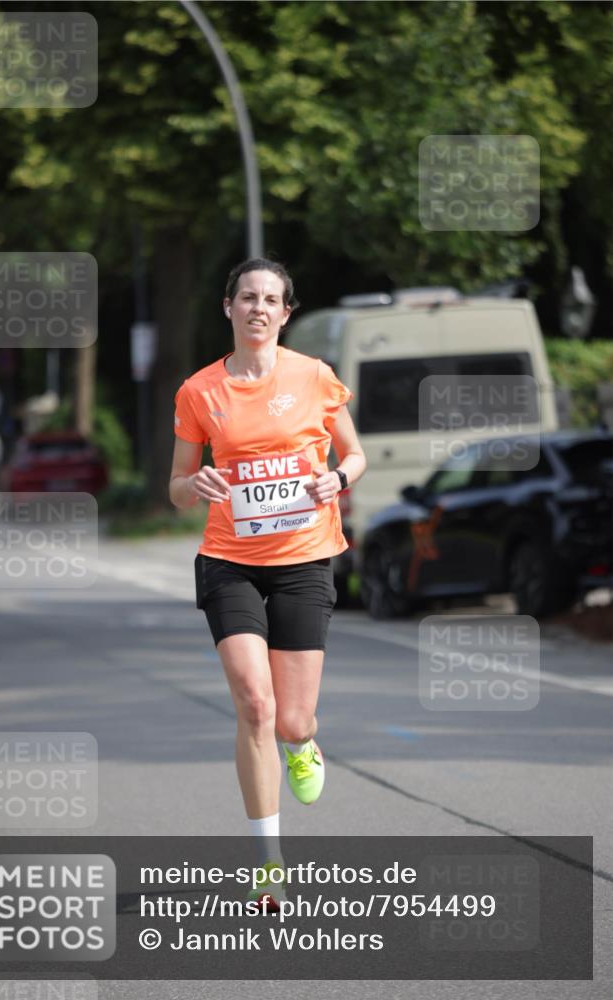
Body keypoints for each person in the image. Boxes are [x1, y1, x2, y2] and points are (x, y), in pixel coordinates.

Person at [169, 258, 366, 909]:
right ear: (227, 307)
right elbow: (175, 488)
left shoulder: (313, 376)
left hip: (304, 560)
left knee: (290, 718)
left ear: (285, 312)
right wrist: (191, 485)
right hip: (229, 561)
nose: (258, 307)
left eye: (270, 299)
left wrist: (335, 480)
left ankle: (303, 743)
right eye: (247, 297)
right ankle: (268, 865)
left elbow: (353, 455)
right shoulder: (200, 391)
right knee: (253, 704)